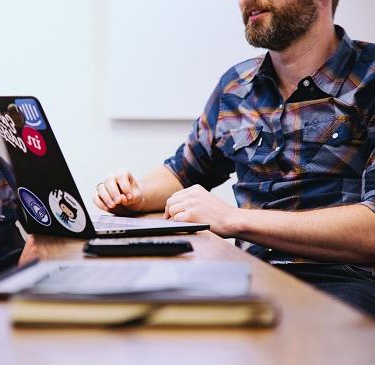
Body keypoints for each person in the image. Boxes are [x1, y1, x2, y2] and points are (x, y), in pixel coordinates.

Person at [94, 0, 375, 315]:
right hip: (248, 273)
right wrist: (136, 192)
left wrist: (233, 220)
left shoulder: (370, 78)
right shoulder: (236, 86)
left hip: (345, 281)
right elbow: (183, 172)